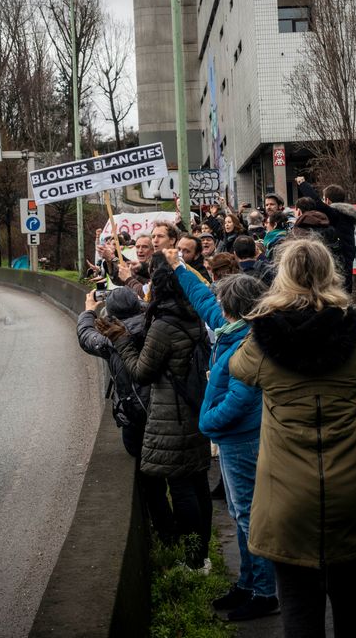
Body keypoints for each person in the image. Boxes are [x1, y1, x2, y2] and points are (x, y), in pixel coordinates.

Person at [229, 239, 356, 638]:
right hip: (355, 489)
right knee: (355, 611)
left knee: (300, 614)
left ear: (281, 277)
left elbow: (238, 368)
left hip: (286, 496)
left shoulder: (261, 343)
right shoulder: (354, 338)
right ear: (329, 273)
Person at [164, 248, 279, 623]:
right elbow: (202, 300)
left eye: (222, 301)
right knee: (238, 512)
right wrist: (178, 267)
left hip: (240, 438)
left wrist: (209, 423)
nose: (216, 306)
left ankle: (265, 592)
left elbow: (241, 398)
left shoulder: (248, 342)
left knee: (248, 517)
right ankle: (247, 583)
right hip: (231, 439)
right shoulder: (232, 328)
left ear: (234, 307)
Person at [96, 254, 213, 572]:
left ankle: (191, 561)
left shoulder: (163, 325)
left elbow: (141, 372)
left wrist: (121, 340)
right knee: (199, 482)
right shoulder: (193, 317)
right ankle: (202, 556)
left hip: (171, 415)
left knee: (181, 487)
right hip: (194, 408)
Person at [76, 286, 176, 544]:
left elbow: (86, 336)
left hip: (136, 413)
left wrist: (89, 310)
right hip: (168, 406)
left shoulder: (111, 337)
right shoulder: (155, 323)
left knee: (150, 479)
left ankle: (166, 535)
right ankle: (183, 538)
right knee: (178, 479)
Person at [295, 178, 356, 293]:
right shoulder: (346, 217)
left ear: (327, 201)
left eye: (323, 199)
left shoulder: (336, 214)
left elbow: (317, 202)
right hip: (346, 263)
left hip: (339, 265)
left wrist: (303, 184)